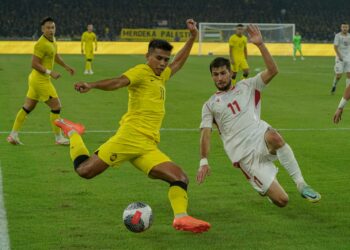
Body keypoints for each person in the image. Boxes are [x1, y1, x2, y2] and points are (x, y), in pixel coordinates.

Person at [55, 19, 211, 233]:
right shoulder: (141, 71)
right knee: (85, 171)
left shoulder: (161, 76)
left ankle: (181, 218)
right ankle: (73, 132)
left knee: (180, 177)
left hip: (147, 145)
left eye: (165, 59)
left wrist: (192, 37)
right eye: (158, 58)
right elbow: (118, 81)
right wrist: (92, 84)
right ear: (148, 56)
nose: (163, 63)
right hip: (129, 137)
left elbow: (178, 63)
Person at [197, 24, 321, 207]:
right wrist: (204, 160)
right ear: (212, 77)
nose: (219, 78)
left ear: (231, 73)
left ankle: (301, 184)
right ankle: (268, 191)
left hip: (259, 135)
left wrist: (261, 45)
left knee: (276, 137)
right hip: (244, 155)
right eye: (215, 75)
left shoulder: (248, 85)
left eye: (223, 73)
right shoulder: (209, 105)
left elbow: (273, 71)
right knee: (282, 201)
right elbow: (205, 133)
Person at [7, 16, 75, 146]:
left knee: (28, 107)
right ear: (43, 29)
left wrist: (66, 67)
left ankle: (13, 134)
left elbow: (55, 55)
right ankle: (58, 138)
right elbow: (34, 64)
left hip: (35, 79)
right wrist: (51, 72)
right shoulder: (40, 44)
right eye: (48, 28)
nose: (51, 30)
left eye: (53, 27)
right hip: (40, 80)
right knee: (56, 106)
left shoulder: (53, 40)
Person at [331, 23, 350, 94]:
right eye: (343, 27)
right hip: (340, 58)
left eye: (346, 27)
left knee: (349, 74)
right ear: (341, 28)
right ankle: (334, 85)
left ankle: (347, 91)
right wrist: (339, 56)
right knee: (338, 76)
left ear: (348, 28)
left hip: (348, 58)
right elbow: (335, 47)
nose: (345, 28)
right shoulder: (337, 36)